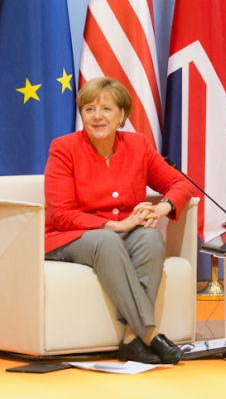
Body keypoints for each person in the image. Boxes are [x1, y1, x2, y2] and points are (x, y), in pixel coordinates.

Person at [44, 77, 194, 365]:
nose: (97, 116)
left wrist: (164, 206)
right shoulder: (64, 148)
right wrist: (116, 225)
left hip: (119, 235)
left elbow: (180, 183)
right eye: (89, 109)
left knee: (150, 237)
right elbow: (60, 215)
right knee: (107, 238)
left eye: (106, 109)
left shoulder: (137, 145)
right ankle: (149, 333)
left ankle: (129, 339)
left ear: (122, 115)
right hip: (71, 237)